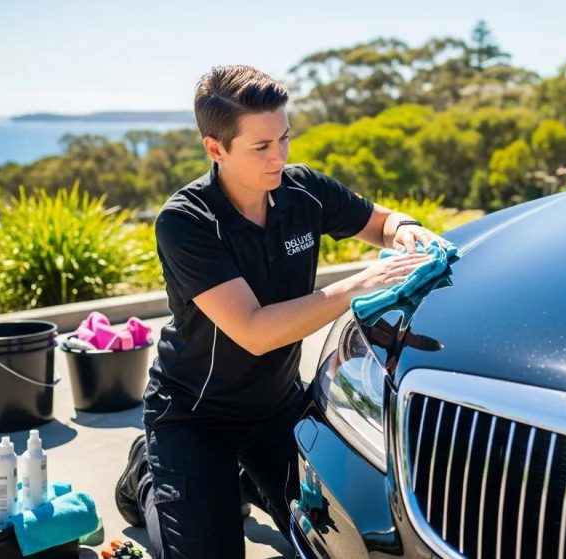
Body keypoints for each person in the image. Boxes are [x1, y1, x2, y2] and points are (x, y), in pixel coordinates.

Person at [113, 64, 450, 558]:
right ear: (215, 148)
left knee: (344, 545)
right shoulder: (186, 222)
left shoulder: (303, 190)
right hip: (194, 416)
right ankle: (149, 472)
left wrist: (408, 231)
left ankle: (245, 478)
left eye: (284, 139)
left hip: (277, 407)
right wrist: (358, 284)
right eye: (261, 147)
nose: (279, 158)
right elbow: (254, 331)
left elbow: (380, 223)